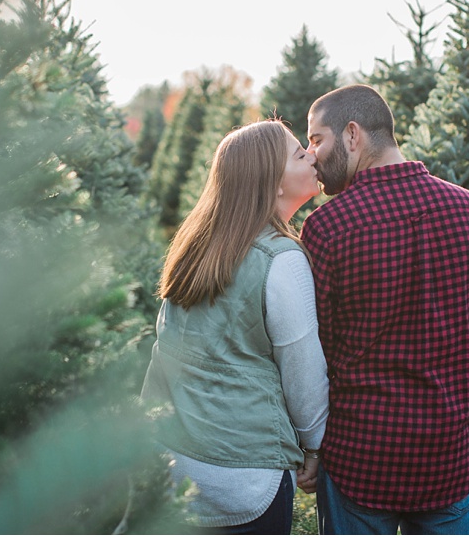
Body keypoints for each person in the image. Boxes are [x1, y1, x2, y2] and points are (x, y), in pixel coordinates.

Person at [299, 84, 469, 535]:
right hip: (448, 457)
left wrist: (314, 447)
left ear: (353, 135)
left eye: (317, 139)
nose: (311, 154)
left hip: (360, 458)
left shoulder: (327, 228)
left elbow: (320, 352)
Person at [140, 119, 330, 534]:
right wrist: (314, 448)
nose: (313, 155)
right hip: (245, 475)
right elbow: (302, 371)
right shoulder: (282, 261)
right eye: (300, 153)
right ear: (273, 183)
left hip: (172, 458)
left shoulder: (194, 245)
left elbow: (165, 346)